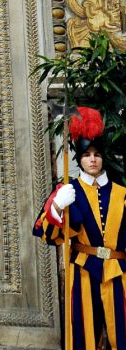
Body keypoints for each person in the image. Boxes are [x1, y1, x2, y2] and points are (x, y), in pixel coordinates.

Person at [33, 107, 126, 349]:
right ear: (79, 159)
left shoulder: (122, 194)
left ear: (103, 157)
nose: (92, 159)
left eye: (96, 154)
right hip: (84, 272)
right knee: (85, 337)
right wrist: (57, 207)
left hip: (119, 272)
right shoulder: (68, 192)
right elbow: (47, 234)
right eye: (86, 155)